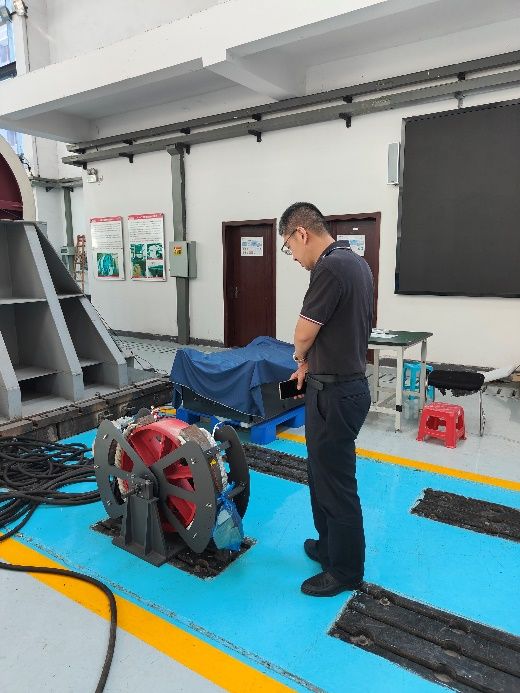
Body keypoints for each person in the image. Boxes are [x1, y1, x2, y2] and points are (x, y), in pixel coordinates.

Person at [279, 202, 373, 597]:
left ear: (301, 233)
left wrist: (299, 357)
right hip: (335, 385)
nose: (292, 256)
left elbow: (304, 333)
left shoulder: (330, 268)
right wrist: (310, 366)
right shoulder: (356, 263)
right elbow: (335, 331)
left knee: (336, 484)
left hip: (335, 394)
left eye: (289, 246)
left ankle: (346, 571)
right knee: (321, 475)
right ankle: (328, 546)